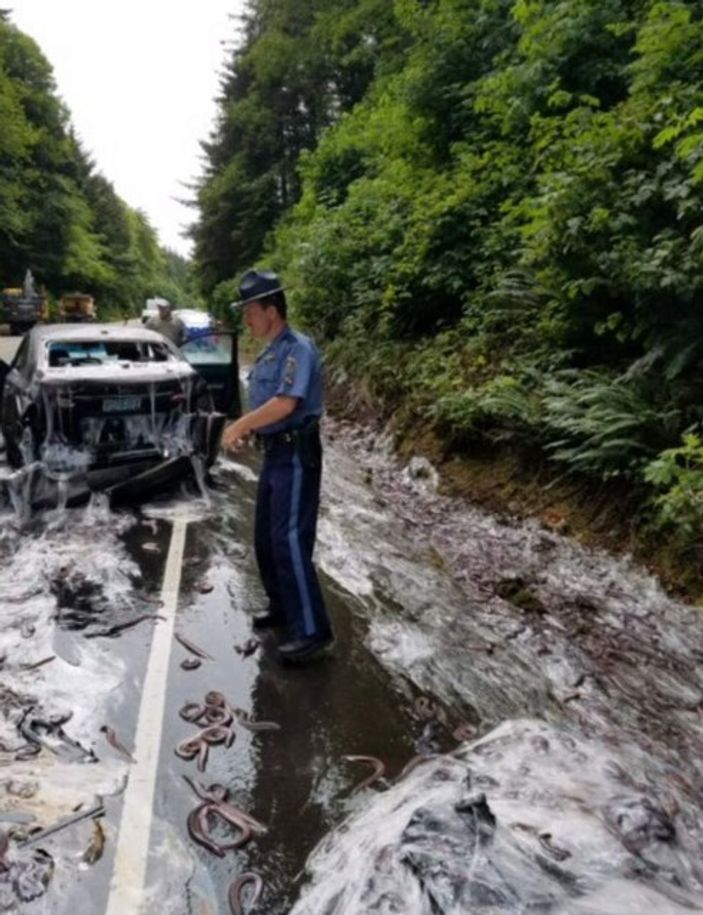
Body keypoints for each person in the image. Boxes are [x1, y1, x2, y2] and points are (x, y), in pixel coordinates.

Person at [222, 268, 333, 665]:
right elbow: (268, 410)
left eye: (250, 310)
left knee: (289, 539)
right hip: (274, 452)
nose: (246, 318)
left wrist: (238, 424)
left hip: (297, 454)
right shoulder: (269, 353)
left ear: (271, 310)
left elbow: (287, 404)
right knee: (266, 539)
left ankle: (313, 630)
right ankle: (283, 608)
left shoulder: (297, 348)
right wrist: (251, 432)